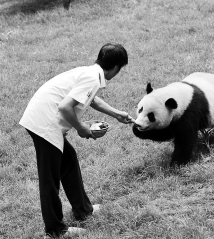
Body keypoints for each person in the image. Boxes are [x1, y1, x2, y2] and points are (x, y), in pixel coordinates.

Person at [19, 43, 134, 239]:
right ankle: (55, 230)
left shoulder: (90, 73)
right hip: (44, 123)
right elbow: (65, 107)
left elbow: (91, 99)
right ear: (116, 68)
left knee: (69, 160)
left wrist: (117, 114)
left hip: (42, 117)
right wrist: (82, 129)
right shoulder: (92, 78)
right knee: (49, 179)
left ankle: (83, 210)